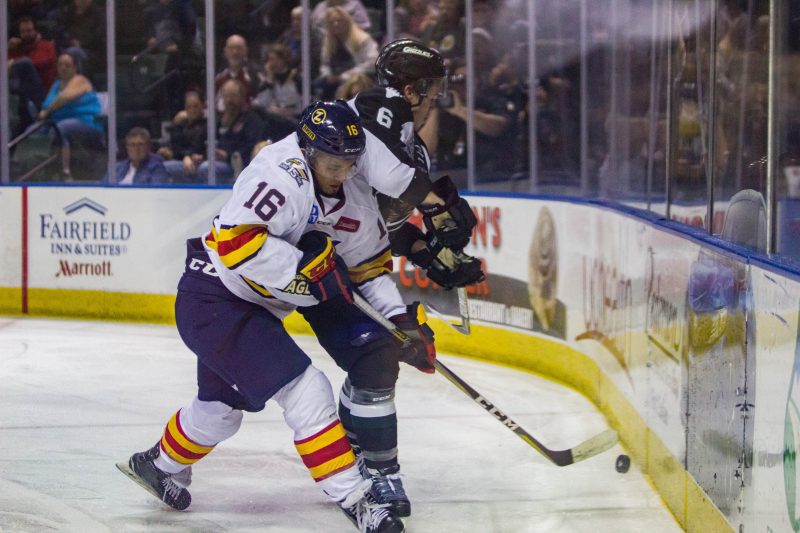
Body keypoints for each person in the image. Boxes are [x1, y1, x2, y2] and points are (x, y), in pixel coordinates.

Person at [117, 101, 404, 533]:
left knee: (219, 412)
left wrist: (401, 322)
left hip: (250, 305)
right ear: (308, 152)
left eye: (349, 163)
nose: (341, 173)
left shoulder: (355, 197)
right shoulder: (280, 173)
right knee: (307, 391)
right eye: (331, 162)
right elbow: (235, 242)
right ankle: (357, 499)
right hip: (214, 299)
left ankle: (157, 464)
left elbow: (369, 267)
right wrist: (302, 271)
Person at [296, 101, 439, 520]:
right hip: (260, 290)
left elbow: (373, 272)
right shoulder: (306, 179)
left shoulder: (366, 214)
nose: (398, 210)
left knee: (377, 360)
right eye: (392, 200)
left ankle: (380, 470)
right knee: (228, 399)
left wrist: (401, 324)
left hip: (323, 291)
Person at [349, 38, 485, 291]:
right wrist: (435, 205)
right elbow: (386, 174)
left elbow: (378, 222)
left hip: (335, 257)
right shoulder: (381, 103)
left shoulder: (415, 150)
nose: (430, 109)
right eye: (431, 101)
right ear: (410, 93)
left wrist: (426, 251)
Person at [38, 50, 105, 178]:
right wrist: (46, 111)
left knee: (60, 128)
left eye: (67, 65)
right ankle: (31, 166)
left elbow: (65, 98)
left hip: (86, 122)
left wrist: (47, 111)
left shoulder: (80, 80)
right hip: (57, 121)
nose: (63, 68)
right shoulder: (56, 84)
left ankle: (65, 172)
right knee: (32, 130)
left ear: (75, 67)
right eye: (60, 65)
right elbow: (46, 104)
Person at [314, 6, 378, 100]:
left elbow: (372, 63)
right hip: (334, 80)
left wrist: (345, 76)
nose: (335, 24)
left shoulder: (363, 39)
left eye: (339, 21)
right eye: (332, 22)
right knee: (316, 85)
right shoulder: (328, 42)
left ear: (347, 21)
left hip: (358, 79)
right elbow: (325, 64)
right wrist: (327, 75)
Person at [160, 90, 208, 182]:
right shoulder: (181, 124)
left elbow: (198, 146)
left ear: (202, 106)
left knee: (165, 167)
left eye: (196, 106)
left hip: (198, 161)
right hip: (181, 160)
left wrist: (187, 156)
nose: (192, 110)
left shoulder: (207, 125)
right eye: (189, 107)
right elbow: (175, 146)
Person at [8, 16, 57, 91]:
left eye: (29, 31)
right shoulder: (18, 48)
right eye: (23, 32)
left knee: (25, 62)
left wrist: (14, 62)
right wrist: (9, 49)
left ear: (35, 31)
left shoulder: (47, 45)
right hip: (22, 87)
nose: (26, 34)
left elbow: (38, 63)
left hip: (42, 89)